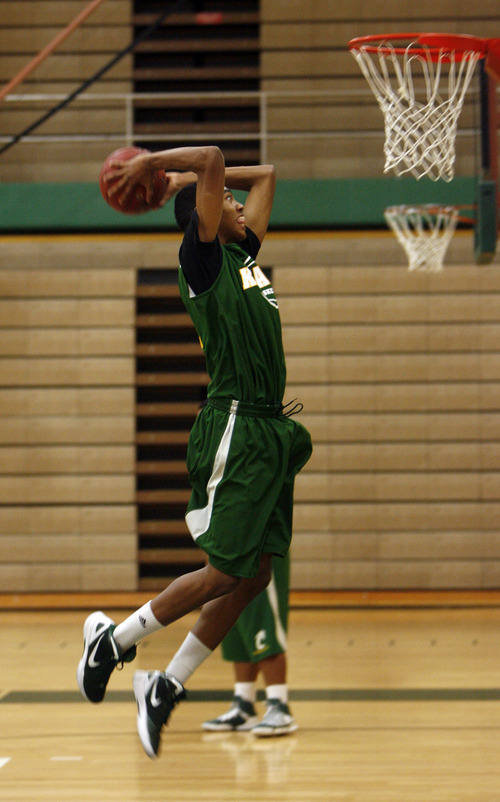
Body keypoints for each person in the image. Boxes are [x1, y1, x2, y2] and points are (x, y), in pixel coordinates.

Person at [76, 145, 312, 760]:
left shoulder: (243, 254)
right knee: (226, 572)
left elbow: (268, 173)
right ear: (203, 218)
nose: (236, 202)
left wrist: (186, 178)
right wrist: (159, 163)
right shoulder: (204, 258)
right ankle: (114, 642)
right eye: (224, 201)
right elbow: (213, 157)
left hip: (269, 431)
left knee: (255, 572)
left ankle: (164, 683)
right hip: (235, 423)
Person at [202, 553, 297, 737]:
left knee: (264, 624)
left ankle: (279, 705)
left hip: (260, 549)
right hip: (227, 549)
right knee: (237, 626)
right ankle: (244, 704)